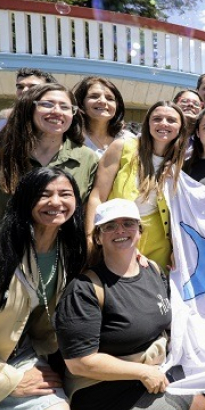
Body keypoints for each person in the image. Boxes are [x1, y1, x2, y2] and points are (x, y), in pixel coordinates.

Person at [55, 199, 205, 410]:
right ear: (98, 237)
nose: (121, 231)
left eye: (128, 224)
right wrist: (142, 372)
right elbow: (80, 363)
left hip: (148, 372)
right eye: (110, 226)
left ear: (139, 231)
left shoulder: (152, 270)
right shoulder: (84, 290)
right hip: (100, 390)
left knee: (202, 390)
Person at [0, 167, 87, 410]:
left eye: (65, 194)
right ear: (26, 200)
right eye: (44, 195)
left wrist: (134, 253)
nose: (56, 203)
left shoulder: (69, 248)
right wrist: (10, 380)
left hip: (20, 351)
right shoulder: (4, 247)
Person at [86, 101, 189, 271]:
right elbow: (97, 196)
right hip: (117, 236)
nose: (163, 123)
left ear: (180, 127)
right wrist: (90, 237)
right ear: (148, 122)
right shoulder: (123, 146)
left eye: (171, 120)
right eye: (157, 118)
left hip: (159, 246)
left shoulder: (181, 162)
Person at [0, 83, 98, 218]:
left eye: (65, 107)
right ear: (28, 108)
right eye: (47, 104)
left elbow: (88, 213)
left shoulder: (87, 158)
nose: (57, 111)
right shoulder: (5, 154)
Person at [73, 76, 134, 158]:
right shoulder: (71, 138)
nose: (103, 101)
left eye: (110, 98)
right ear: (81, 104)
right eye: (94, 96)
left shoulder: (129, 140)